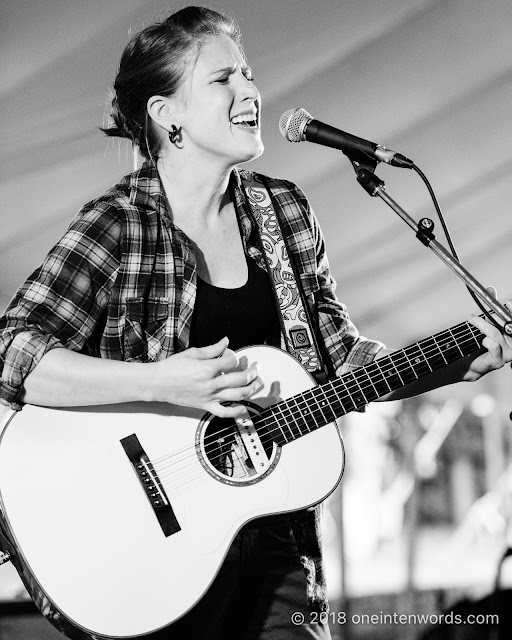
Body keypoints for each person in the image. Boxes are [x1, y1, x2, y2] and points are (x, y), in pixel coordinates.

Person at [0, 6, 511, 640]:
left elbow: (336, 362)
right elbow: (14, 354)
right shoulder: (119, 223)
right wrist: (166, 383)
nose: (250, 92)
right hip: (154, 557)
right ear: (168, 116)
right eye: (223, 80)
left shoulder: (286, 213)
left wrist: (451, 362)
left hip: (275, 534)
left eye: (248, 73)